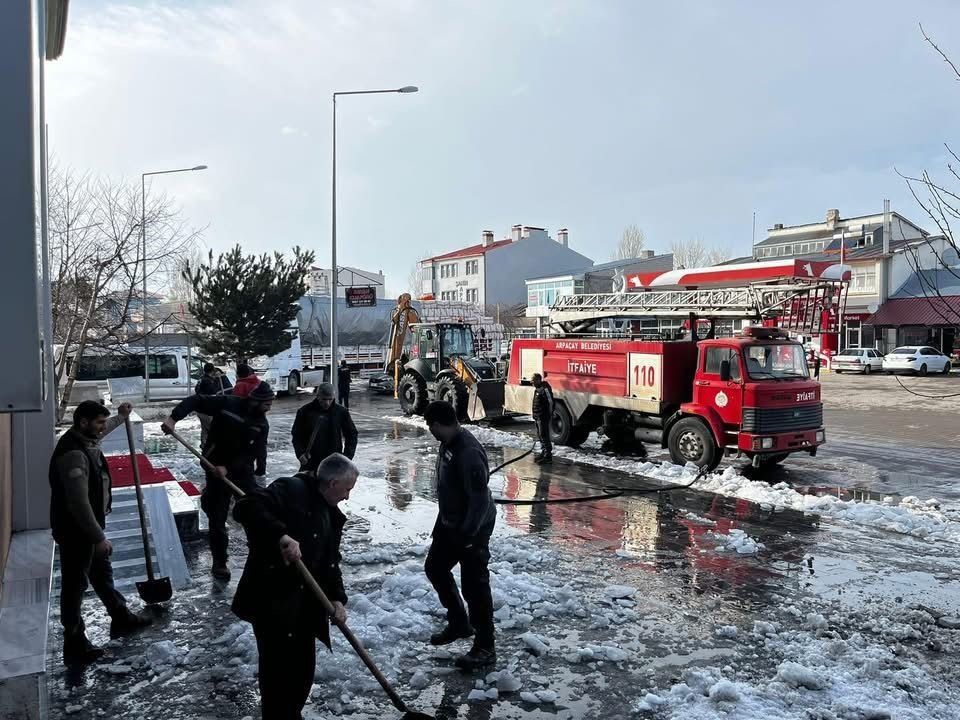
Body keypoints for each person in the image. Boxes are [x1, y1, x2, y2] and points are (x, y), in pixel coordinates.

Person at [232, 454, 357, 720]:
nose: (347, 496)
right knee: (277, 674)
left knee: (303, 672)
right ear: (333, 483)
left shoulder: (331, 514)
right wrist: (280, 536)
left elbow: (330, 562)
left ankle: (291, 714)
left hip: (305, 607)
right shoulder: (291, 489)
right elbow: (245, 507)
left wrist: (337, 598)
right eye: (347, 489)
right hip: (272, 602)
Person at [50, 400, 152, 665]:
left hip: (88, 526)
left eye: (104, 422)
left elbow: (103, 430)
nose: (102, 427)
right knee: (75, 585)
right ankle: (74, 642)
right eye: (99, 422)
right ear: (83, 422)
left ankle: (121, 615)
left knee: (101, 574)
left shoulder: (83, 439)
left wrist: (121, 417)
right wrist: (97, 537)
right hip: (77, 530)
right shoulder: (73, 454)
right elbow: (78, 503)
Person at [161, 381, 275, 580]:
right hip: (214, 468)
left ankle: (260, 551)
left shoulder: (261, 425)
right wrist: (173, 419)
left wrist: (230, 468)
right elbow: (196, 401)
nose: (269, 408)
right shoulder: (227, 404)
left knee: (255, 510)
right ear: (255, 401)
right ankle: (220, 562)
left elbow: (253, 453)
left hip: (241, 472)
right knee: (217, 517)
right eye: (267, 404)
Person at [423, 400, 496, 671]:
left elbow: (479, 500)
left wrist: (468, 535)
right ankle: (459, 622)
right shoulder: (449, 442)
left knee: (474, 585)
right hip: (450, 522)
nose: (430, 431)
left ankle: (485, 647)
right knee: (435, 567)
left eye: (431, 426)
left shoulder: (468, 451)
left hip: (472, 526)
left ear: (439, 424)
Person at [292, 383, 358, 473]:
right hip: (311, 462)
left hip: (334, 462)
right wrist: (300, 453)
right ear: (318, 396)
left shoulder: (341, 412)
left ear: (334, 397)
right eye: (324, 399)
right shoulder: (304, 412)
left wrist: (346, 457)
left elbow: (352, 434)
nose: (327, 403)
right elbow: (296, 435)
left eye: (330, 399)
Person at [195, 363, 233, 448]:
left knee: (205, 428)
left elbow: (197, 390)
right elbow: (214, 392)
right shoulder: (209, 381)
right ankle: (211, 447)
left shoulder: (201, 379)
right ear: (212, 371)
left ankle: (204, 445)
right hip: (207, 410)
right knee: (212, 429)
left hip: (200, 409)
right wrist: (218, 379)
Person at [531, 373, 554, 464]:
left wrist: (549, 414)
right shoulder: (537, 389)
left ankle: (548, 456)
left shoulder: (545, 389)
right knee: (540, 435)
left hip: (543, 417)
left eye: (533, 380)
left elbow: (550, 402)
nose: (531, 382)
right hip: (537, 416)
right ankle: (543, 452)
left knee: (544, 435)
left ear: (538, 380)